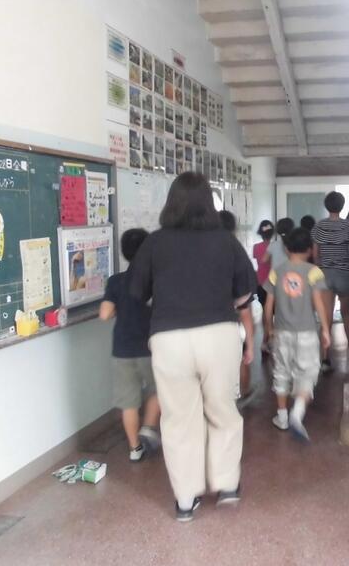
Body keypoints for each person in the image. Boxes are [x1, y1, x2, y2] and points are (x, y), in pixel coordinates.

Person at [130, 172, 256, 523]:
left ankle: (185, 500)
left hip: (169, 338)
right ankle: (226, 484)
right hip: (218, 334)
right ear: (209, 203)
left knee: (179, 419)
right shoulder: (225, 241)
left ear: (171, 202)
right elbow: (246, 291)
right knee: (222, 409)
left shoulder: (154, 243)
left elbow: (137, 292)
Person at [99, 228, 161, 462]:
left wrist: (119, 308)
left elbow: (104, 314)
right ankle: (149, 427)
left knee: (129, 403)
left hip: (122, 349)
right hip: (151, 347)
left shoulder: (116, 281)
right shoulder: (156, 280)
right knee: (158, 389)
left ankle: (135, 449)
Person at [263, 227, 330, 443]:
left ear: (286, 248)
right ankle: (297, 413)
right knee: (307, 373)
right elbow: (318, 302)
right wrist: (326, 329)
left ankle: (282, 417)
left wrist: (268, 329)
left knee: (281, 372)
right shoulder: (313, 271)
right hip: (307, 332)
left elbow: (268, 306)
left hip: (282, 331)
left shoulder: (277, 271)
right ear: (309, 249)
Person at [311, 191, 349, 370]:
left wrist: (321, 269)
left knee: (327, 319)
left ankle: (325, 359)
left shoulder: (318, 226)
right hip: (344, 273)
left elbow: (315, 254)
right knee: (346, 315)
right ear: (342, 205)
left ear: (326, 205)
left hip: (325, 274)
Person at [220, 210, 256, 407]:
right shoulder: (237, 252)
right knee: (241, 358)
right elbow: (245, 309)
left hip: (202, 324)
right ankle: (243, 392)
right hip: (231, 322)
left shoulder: (198, 252)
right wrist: (250, 342)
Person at [252, 220, 275, 307]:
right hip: (273, 281)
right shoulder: (275, 247)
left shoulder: (256, 247)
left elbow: (257, 259)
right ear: (272, 233)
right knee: (273, 307)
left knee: (262, 305)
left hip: (260, 280)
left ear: (260, 233)